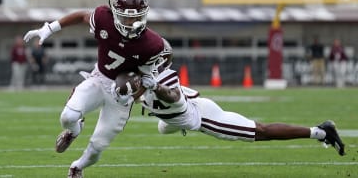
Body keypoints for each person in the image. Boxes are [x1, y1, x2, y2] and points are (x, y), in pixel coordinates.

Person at [23, 0, 165, 178]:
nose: (130, 22)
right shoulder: (103, 17)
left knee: (98, 145)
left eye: (135, 17)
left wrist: (131, 95)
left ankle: (77, 167)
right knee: (67, 117)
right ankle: (74, 131)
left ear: (144, 15)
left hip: (122, 94)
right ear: (115, 13)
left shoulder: (153, 44)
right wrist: (50, 28)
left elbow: (145, 78)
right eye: (125, 17)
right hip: (99, 78)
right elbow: (82, 16)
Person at [127, 40, 345, 157]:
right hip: (179, 113)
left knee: (261, 132)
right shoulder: (140, 74)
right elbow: (126, 90)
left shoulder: (163, 79)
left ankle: (320, 131)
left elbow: (172, 95)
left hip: (202, 116)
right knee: (163, 126)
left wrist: (154, 87)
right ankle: (174, 122)